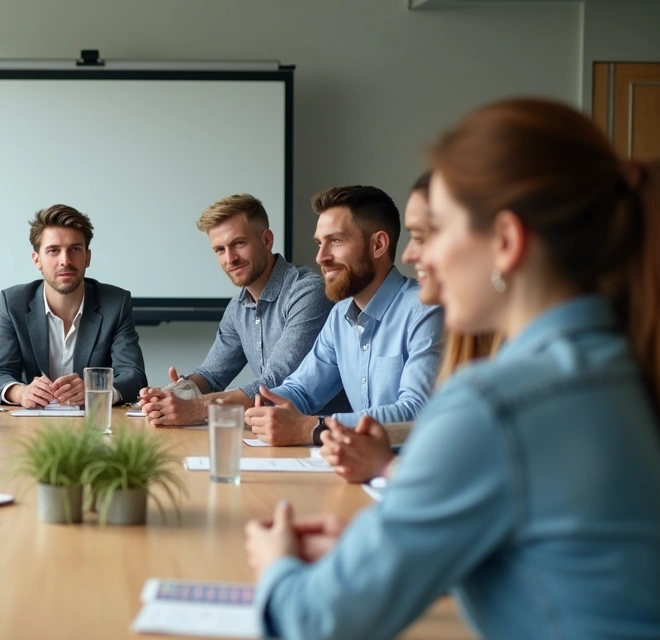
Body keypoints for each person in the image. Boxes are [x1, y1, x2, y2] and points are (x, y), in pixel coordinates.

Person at [246, 98, 660, 639]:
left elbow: (311, 622)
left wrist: (276, 561)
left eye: (435, 231)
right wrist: (405, 550)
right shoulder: (620, 366)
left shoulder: (496, 403)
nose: (415, 257)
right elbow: (561, 564)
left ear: (506, 243)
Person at [321, 172, 499, 482]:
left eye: (424, 237)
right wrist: (385, 466)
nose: (407, 255)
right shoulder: (475, 339)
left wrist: (318, 428)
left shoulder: (527, 371)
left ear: (503, 242)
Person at [244, 186, 445, 446]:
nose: (321, 257)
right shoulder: (339, 315)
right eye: (320, 243)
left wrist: (313, 428)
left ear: (378, 245)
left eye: (336, 241)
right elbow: (302, 389)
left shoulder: (425, 310)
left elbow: (415, 412)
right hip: (358, 464)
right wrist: (269, 404)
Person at [138, 193, 340, 426]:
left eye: (239, 243)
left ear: (267, 240)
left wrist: (195, 407)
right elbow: (211, 375)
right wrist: (174, 393)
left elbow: (277, 381)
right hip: (273, 433)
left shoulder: (307, 292)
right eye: (219, 249)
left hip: (325, 434)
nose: (230, 259)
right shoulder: (238, 307)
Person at [0, 204, 147, 407]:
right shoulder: (14, 303)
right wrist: (21, 392)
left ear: (88, 257)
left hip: (93, 421)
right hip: (33, 420)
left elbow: (134, 375)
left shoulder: (115, 303)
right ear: (37, 260)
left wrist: (96, 391)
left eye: (75, 249)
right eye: (53, 251)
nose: (65, 260)